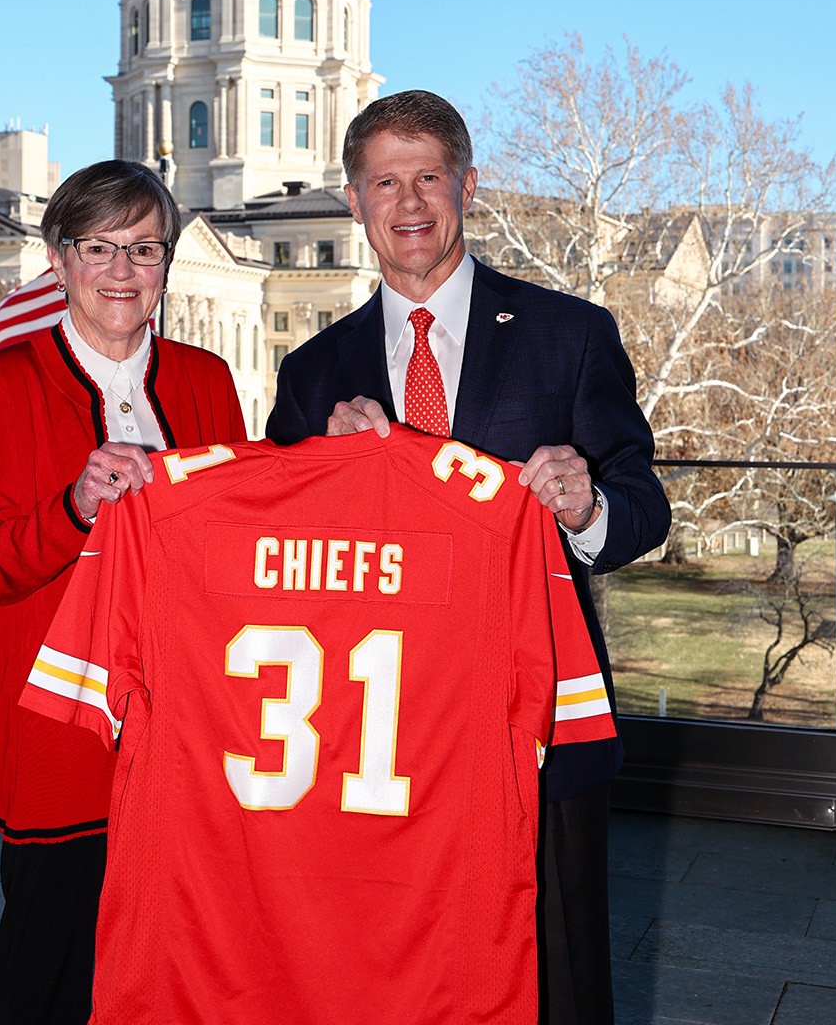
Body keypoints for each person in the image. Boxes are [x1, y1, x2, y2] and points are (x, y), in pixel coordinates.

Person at [267, 90, 671, 1025]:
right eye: (384, 182)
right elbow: (280, 556)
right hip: (373, 737)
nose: (409, 203)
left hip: (532, 722)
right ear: (354, 201)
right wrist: (327, 474)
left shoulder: (571, 335)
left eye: (428, 178)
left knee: (553, 968)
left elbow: (644, 507)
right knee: (380, 967)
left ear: (468, 186)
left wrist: (588, 506)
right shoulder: (313, 372)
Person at [0, 159, 247, 1025]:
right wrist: (76, 505)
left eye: (145, 250)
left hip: (190, 745)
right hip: (60, 746)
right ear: (59, 259)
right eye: (99, 248)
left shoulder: (205, 382)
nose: (122, 272)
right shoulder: (4, 383)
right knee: (48, 983)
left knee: (181, 980)